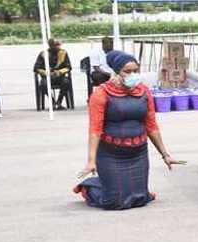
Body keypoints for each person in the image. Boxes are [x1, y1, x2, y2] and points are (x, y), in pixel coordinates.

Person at [74, 50, 179, 210]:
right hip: (111, 153)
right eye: (128, 71)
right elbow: (95, 130)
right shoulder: (101, 94)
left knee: (140, 199)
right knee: (114, 202)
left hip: (138, 152)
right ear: (116, 72)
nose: (133, 75)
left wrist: (165, 155)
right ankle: (89, 187)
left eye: (136, 71)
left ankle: (111, 184)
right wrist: (91, 161)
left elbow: (151, 126)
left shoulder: (144, 92)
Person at [33, 38, 72, 109]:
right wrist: (46, 73)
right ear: (51, 45)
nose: (59, 46)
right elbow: (36, 68)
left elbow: (68, 67)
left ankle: (59, 102)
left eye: (59, 44)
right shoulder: (43, 54)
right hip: (47, 77)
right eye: (56, 45)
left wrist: (59, 72)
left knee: (66, 82)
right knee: (43, 84)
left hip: (60, 76)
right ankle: (53, 102)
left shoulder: (63, 53)